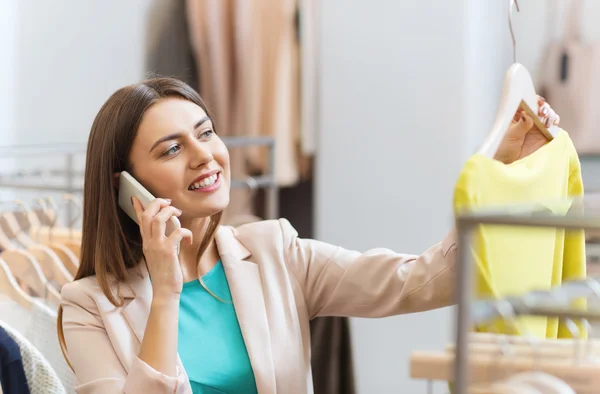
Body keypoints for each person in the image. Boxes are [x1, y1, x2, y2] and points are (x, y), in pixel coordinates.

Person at [57, 77, 560, 394]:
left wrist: (504, 170)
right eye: (171, 149)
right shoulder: (87, 306)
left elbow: (422, 280)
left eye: (206, 133)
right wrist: (165, 292)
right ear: (126, 188)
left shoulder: (274, 250)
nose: (204, 155)